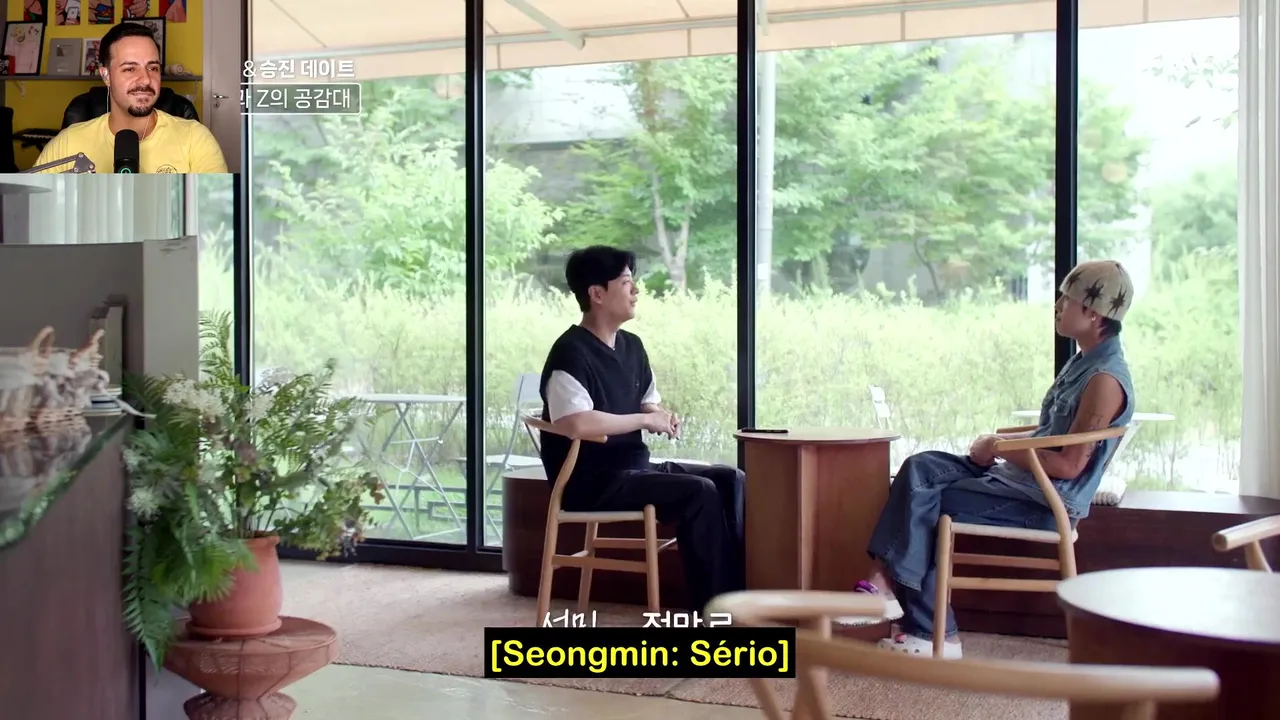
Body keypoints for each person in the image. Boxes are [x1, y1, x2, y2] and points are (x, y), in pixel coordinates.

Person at [853, 260, 1136, 659]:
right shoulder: (1084, 362)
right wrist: (998, 441)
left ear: (1093, 312)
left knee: (931, 500)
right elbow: (1050, 434)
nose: (1057, 306)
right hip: (1017, 483)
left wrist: (1000, 448)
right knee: (920, 467)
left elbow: (1069, 465)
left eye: (1066, 299)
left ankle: (929, 629)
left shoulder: (1105, 380)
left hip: (1042, 502)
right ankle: (887, 585)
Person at [537, 245, 747, 613]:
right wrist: (645, 420)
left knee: (731, 479)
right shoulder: (570, 353)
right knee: (698, 492)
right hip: (591, 481)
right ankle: (716, 612)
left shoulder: (632, 346)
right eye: (626, 283)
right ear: (597, 293)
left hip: (635, 468)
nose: (636, 290)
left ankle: (735, 597)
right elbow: (576, 422)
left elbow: (646, 401)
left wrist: (659, 415)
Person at [35, 22, 227, 174]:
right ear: (106, 76)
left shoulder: (195, 139)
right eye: (130, 69)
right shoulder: (68, 142)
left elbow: (217, 209)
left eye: (153, 68)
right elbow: (30, 205)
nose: (146, 79)